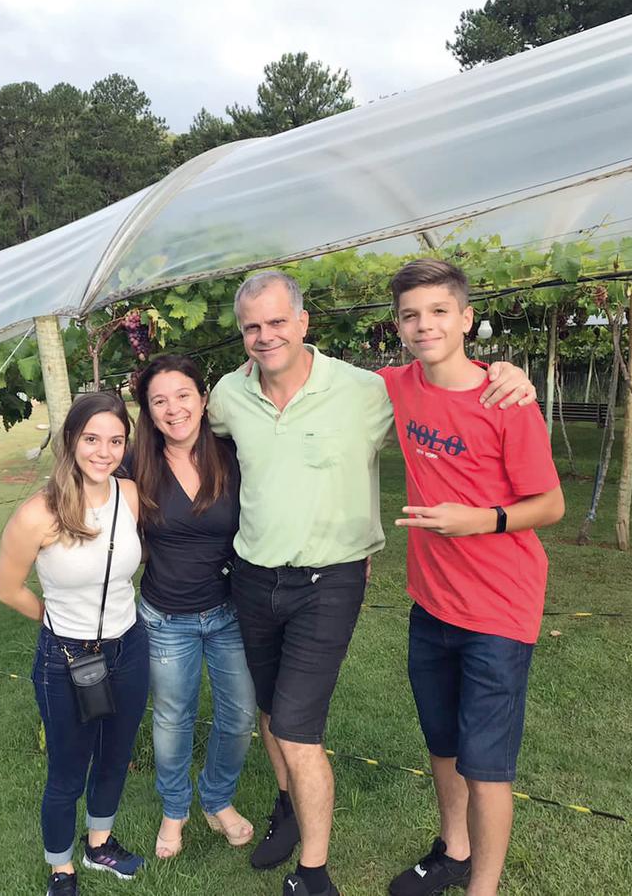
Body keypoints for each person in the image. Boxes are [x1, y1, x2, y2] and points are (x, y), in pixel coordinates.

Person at [206, 270, 536, 896]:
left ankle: (315, 873)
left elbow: (449, 381)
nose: (265, 336)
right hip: (252, 575)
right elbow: (191, 432)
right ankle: (287, 807)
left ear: (304, 323)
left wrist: (505, 371)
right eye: (252, 326)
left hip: (330, 581)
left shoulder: (365, 390)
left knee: (298, 724)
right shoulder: (229, 394)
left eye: (278, 322)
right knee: (272, 709)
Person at [378, 260, 564, 896]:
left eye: (437, 312)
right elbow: (312, 373)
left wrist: (478, 520)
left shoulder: (505, 401)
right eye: (410, 315)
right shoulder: (397, 386)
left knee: (487, 766)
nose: (423, 325)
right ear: (399, 326)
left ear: (466, 318)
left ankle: (482, 889)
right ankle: (453, 850)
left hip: (498, 612)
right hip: (431, 604)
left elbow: (551, 505)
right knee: (443, 743)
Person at [0, 392, 149, 896]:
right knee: (68, 768)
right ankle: (61, 868)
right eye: (91, 439)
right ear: (70, 441)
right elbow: (7, 588)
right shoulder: (38, 514)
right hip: (67, 658)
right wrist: (56, 621)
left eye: (116, 440)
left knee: (115, 753)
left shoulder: (129, 495)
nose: (104, 451)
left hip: (129, 647)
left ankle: (100, 843)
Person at [128, 354, 257, 859]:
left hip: (229, 613)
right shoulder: (135, 464)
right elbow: (82, 481)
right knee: (172, 718)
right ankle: (175, 809)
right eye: (159, 400)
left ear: (204, 400)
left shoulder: (232, 452)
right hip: (165, 620)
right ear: (148, 411)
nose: (173, 408)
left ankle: (217, 798)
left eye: (183, 395)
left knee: (239, 714)